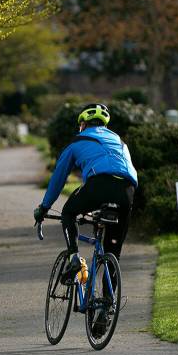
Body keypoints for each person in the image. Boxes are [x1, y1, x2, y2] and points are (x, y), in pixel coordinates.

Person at [34, 103, 138, 279]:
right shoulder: (120, 141)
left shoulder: (78, 141)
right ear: (104, 125)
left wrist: (44, 207)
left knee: (68, 212)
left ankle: (74, 257)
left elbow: (58, 179)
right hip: (126, 190)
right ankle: (108, 303)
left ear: (83, 124)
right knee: (114, 251)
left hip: (99, 183)